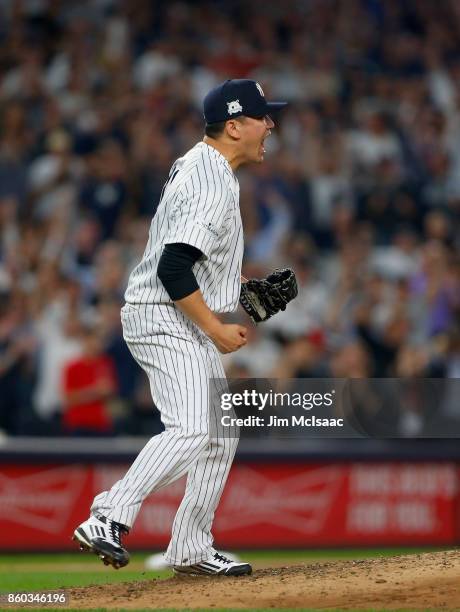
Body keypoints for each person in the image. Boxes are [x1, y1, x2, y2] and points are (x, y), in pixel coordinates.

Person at [73, 79, 286, 576]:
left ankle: (190, 547)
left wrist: (243, 295)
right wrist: (215, 327)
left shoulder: (202, 165)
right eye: (262, 117)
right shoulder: (211, 180)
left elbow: (192, 260)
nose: (271, 125)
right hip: (163, 313)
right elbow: (173, 269)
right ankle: (108, 515)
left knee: (220, 431)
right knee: (193, 427)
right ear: (234, 127)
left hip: (174, 310)